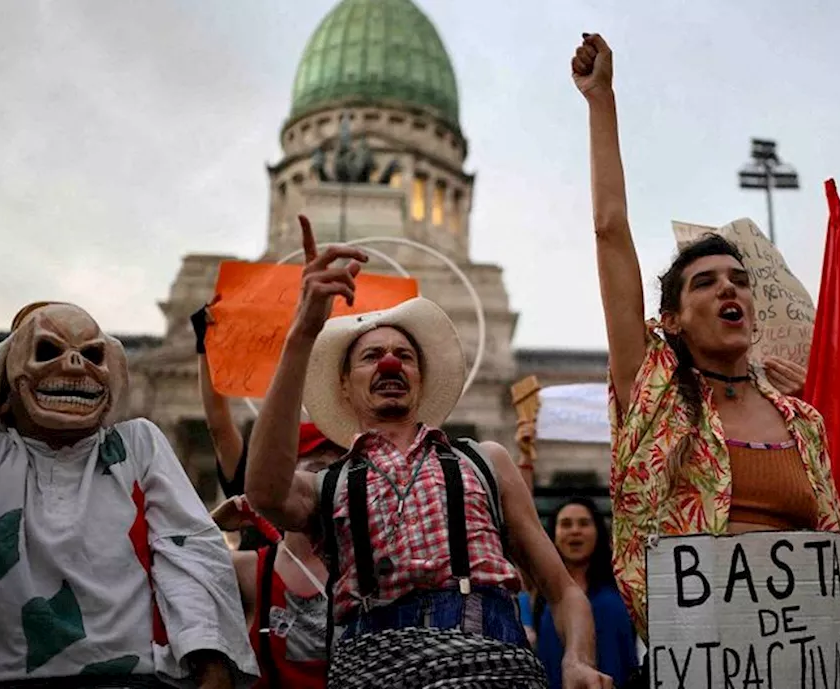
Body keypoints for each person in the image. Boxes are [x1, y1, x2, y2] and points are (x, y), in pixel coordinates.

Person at [571, 32, 840, 665]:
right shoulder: (650, 391)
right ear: (671, 319)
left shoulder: (803, 421)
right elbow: (610, 232)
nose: (728, 288)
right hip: (691, 664)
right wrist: (602, 103)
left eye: (739, 280)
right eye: (705, 282)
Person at [244, 218, 611, 688]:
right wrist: (301, 335)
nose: (390, 362)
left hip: (490, 663)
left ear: (420, 377)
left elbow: (562, 591)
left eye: (404, 354)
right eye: (371, 355)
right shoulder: (327, 484)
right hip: (373, 668)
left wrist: (576, 659)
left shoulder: (485, 461)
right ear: (344, 383)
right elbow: (263, 490)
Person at [0, 302, 257, 688]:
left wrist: (210, 658)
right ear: (5, 392)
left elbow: (187, 548)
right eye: (48, 352)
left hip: (132, 678)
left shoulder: (138, 444)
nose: (73, 365)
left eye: (91, 355)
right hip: (6, 677)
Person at [190, 301, 346, 552]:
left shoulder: (350, 523)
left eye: (333, 457)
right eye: (315, 454)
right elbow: (219, 425)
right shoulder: (254, 491)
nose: (326, 457)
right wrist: (206, 345)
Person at [210, 458, 333, 689]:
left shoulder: (364, 571)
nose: (314, 480)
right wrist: (213, 522)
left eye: (329, 469)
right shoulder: (251, 569)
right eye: (309, 468)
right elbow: (175, 562)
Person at [531, 499, 638, 689]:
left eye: (584, 523)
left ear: (598, 531)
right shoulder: (541, 595)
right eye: (565, 524)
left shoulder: (623, 588)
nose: (575, 531)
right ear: (553, 536)